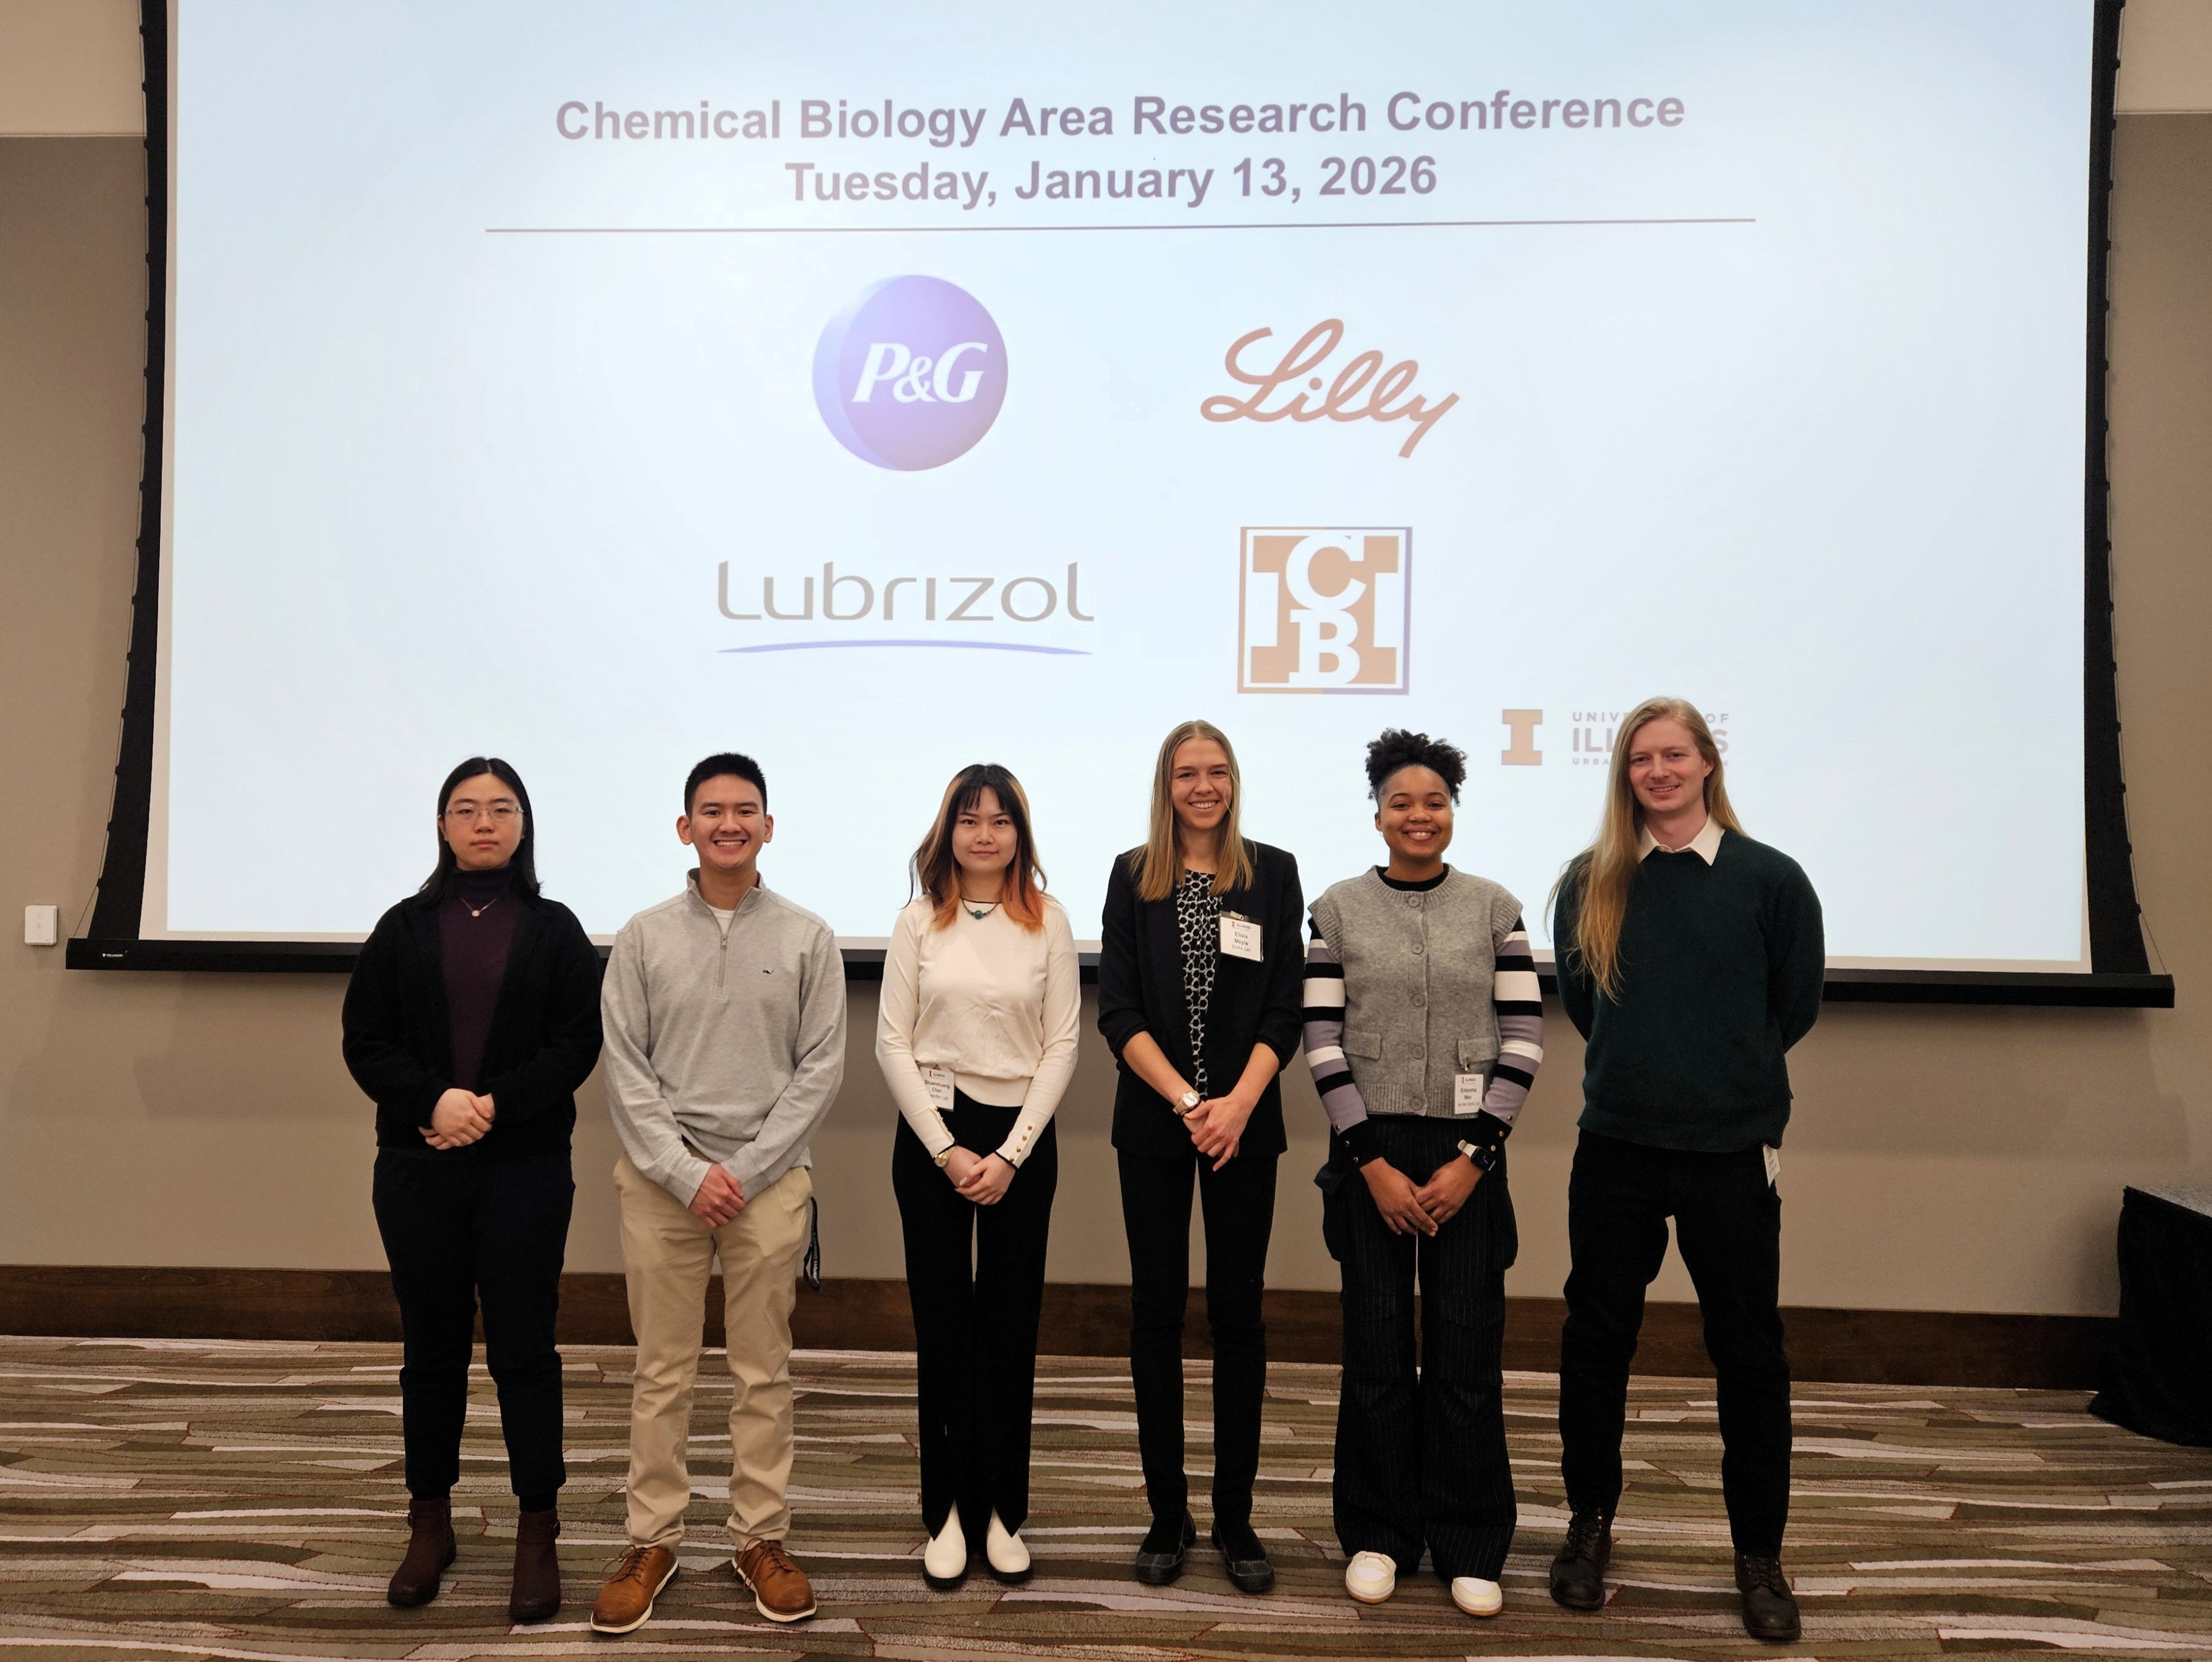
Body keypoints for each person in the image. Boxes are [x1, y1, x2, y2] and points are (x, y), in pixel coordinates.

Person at [1547, 697, 1823, 1644]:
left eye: (1674, 754)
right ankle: (1589, 1524)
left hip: (1730, 1155)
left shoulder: (1770, 879)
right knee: (1597, 1342)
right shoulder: (1592, 881)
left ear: (1708, 762)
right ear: (1624, 775)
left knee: (1749, 1353)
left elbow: (1792, 1005)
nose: (1656, 771)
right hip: (1618, 1146)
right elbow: (1590, 1007)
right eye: (1639, 759)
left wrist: (1716, 1073)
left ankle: (1758, 1553)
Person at [341, 757, 604, 1623]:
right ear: (444, 825)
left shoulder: (556, 929)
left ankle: (538, 1524)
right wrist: (433, 1101)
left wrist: (489, 1106)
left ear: (524, 824)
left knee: (525, 1349)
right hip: (419, 1169)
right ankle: (430, 1519)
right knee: (432, 1348)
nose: (483, 821)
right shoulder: (403, 926)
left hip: (525, 1168)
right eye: (466, 808)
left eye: (501, 808)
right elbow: (365, 1040)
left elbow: (576, 1045)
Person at [590, 753, 846, 1633]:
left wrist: (750, 1167)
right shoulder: (644, 935)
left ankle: (759, 1536)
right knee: (660, 1372)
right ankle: (652, 1537)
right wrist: (689, 1172)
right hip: (665, 1185)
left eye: (746, 810)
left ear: (769, 826)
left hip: (769, 1186)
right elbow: (624, 1070)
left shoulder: (809, 935)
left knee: (761, 1372)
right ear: (684, 827)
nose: (729, 822)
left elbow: (820, 1069)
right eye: (712, 809)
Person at [1302, 729, 1544, 1619]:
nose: (1419, 814)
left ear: (1453, 812)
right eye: (1402, 802)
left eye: (1434, 801)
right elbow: (1321, 1040)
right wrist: (1369, 1162)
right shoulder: (1335, 908)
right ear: (1377, 815)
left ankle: (1471, 1538)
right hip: (1370, 1154)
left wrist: (1476, 1157)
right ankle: (1379, 1533)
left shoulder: (1494, 907)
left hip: (1469, 1157)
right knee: (1374, 1350)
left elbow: (1525, 1036)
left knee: (1465, 1351)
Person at [1096, 720, 1305, 1593]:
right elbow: (1118, 1010)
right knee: (1154, 1316)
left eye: (1217, 771)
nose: (1204, 786)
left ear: (1234, 781)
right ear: (1166, 783)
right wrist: (1190, 1104)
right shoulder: (1130, 874)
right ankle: (1166, 1513)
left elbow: (1285, 1006)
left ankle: (1235, 1515)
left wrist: (1237, 1104)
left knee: (1238, 1317)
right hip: (1156, 1124)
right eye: (1188, 773)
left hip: (1246, 1126)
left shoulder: (1273, 871)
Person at [877, 764, 1078, 1590]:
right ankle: (947, 1513)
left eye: (1001, 820)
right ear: (948, 830)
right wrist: (948, 1150)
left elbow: (1063, 1041)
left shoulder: (1050, 921)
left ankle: (1000, 1510)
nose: (986, 833)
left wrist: (1009, 1154)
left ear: (1019, 835)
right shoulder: (919, 920)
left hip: (1021, 1142)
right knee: (944, 1329)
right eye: (970, 818)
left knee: (1008, 1328)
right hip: (934, 1134)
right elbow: (892, 1041)